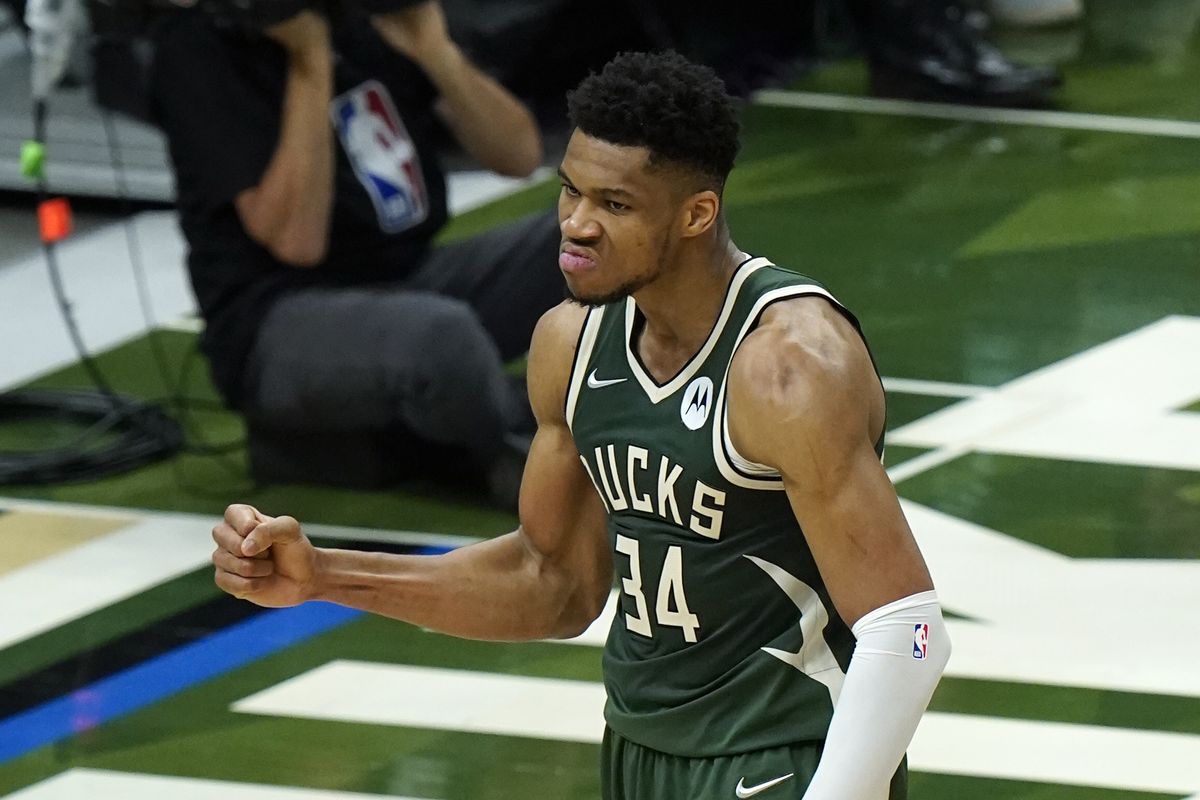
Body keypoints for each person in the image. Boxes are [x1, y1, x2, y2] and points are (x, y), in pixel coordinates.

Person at [211, 50, 950, 799]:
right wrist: (324, 575)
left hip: (784, 760)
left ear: (697, 213)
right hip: (637, 753)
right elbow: (553, 583)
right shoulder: (572, 344)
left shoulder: (787, 367)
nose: (576, 224)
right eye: (571, 192)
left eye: (615, 204)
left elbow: (910, 632)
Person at [149, 0, 564, 503]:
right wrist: (310, 62)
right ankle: (518, 453)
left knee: (588, 242)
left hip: (409, 275)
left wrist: (436, 52)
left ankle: (620, 413)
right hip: (277, 322)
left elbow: (519, 154)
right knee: (441, 336)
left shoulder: (362, 18)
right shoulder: (202, 48)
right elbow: (297, 241)